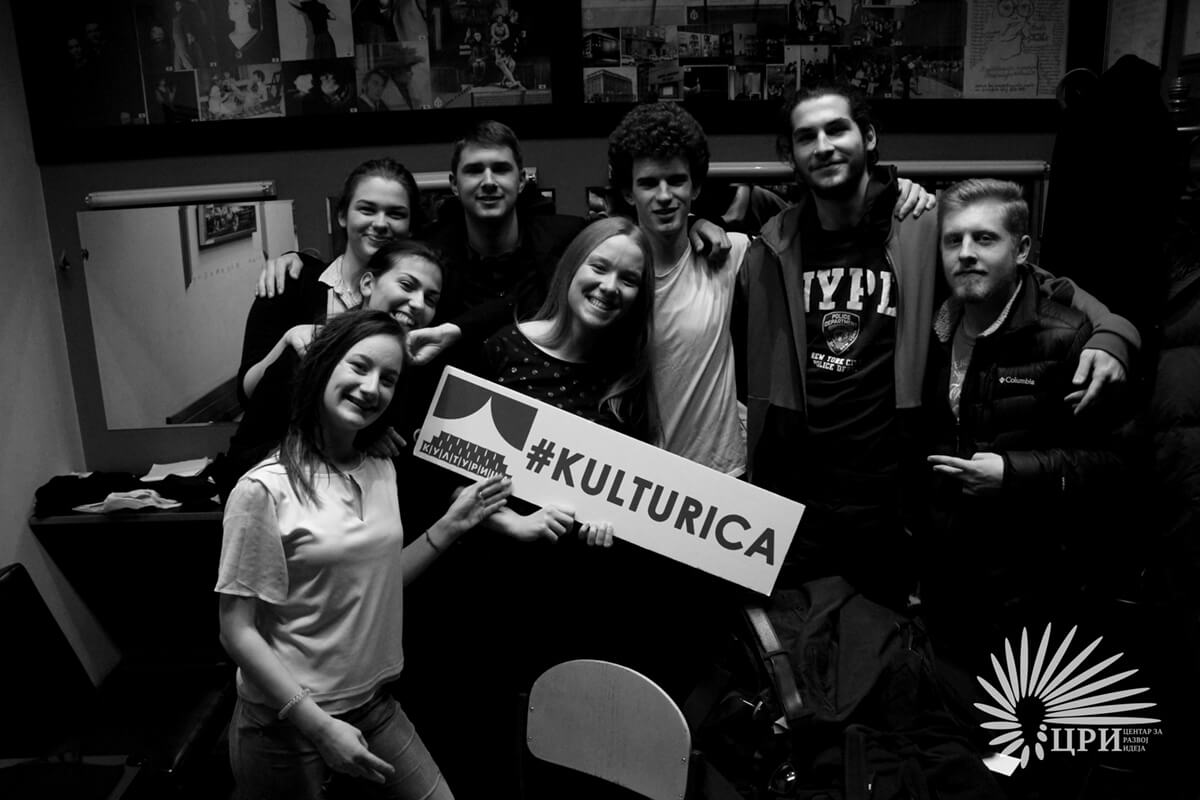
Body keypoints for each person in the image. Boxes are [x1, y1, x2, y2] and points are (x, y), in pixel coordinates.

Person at [736, 84, 1140, 607]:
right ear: (790, 154)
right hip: (802, 493)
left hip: (891, 495)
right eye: (806, 136)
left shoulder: (921, 224)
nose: (824, 146)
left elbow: (1034, 283)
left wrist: (1113, 332)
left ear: (868, 137)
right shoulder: (773, 244)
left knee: (888, 640)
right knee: (794, 636)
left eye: (837, 129)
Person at [216, 309, 512, 800]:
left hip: (373, 705)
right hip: (284, 722)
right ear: (322, 367)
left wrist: (451, 525)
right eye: (358, 366)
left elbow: (380, 580)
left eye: (388, 378)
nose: (372, 387)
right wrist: (318, 727)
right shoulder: (263, 489)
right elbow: (236, 630)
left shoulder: (380, 468)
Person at [607, 101, 932, 475]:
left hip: (721, 474)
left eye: (677, 181)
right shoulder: (609, 274)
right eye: (648, 183)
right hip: (633, 474)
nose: (664, 195)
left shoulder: (732, 255)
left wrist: (895, 192)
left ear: (695, 187)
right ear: (628, 193)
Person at [254, 121, 731, 371]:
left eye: (500, 169)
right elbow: (369, 270)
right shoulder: (430, 253)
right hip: (451, 432)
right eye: (474, 170)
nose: (487, 181)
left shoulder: (567, 238)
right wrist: (302, 261)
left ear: (522, 181)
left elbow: (634, 238)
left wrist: (695, 223)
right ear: (453, 184)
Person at [920, 178, 1127, 648]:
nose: (966, 253)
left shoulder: (1069, 337)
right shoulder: (931, 333)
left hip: (1035, 594)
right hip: (946, 589)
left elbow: (1117, 465)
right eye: (953, 240)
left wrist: (1013, 474)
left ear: (1022, 249)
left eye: (984, 238)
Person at [221, 238, 442, 497]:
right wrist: (356, 441)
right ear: (367, 284)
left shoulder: (416, 369)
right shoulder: (310, 351)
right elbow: (244, 459)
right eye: (406, 285)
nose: (418, 304)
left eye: (430, 299)